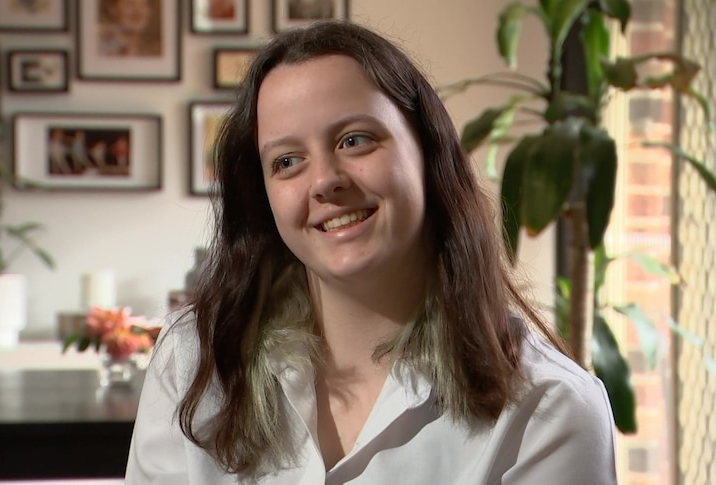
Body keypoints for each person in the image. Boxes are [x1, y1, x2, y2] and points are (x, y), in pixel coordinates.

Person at [126, 20, 617, 484]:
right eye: (287, 161)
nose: (324, 181)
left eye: (354, 140)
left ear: (428, 153)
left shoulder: (550, 409)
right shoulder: (192, 360)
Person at [98, 0, 162, 58]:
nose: (138, 10)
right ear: (112, 8)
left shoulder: (158, 50)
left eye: (144, 4)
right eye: (129, 3)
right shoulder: (100, 46)